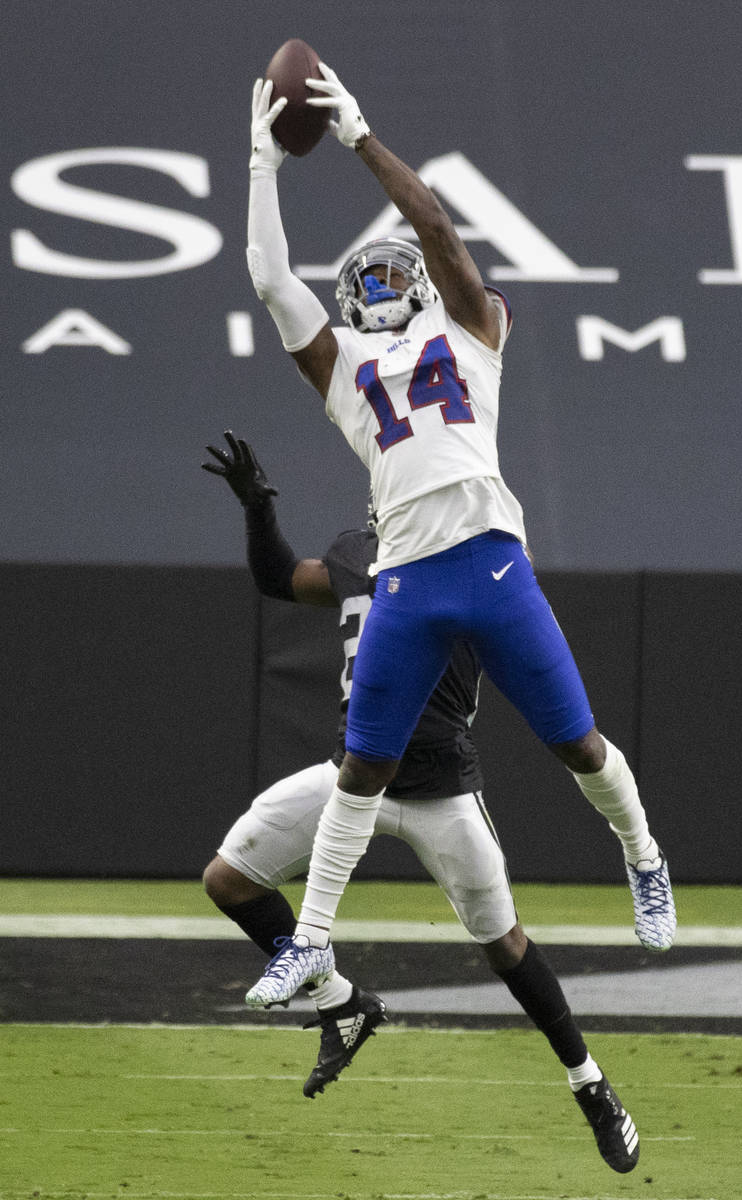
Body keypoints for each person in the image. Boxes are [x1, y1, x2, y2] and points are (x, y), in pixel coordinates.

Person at [243, 65, 676, 1003]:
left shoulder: (475, 331)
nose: (396, 280)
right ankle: (312, 940)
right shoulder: (347, 374)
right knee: (363, 764)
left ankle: (642, 856)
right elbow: (273, 279)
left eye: (405, 272)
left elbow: (435, 228)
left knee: (576, 742)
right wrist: (262, 166)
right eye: (377, 276)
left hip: (488, 564)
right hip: (405, 574)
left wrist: (359, 137)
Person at [201, 430, 639, 1171]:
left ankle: (590, 1083)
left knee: (505, 944)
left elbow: (514, 601)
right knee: (229, 879)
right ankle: (340, 1002)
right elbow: (281, 578)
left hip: (440, 788)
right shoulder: (351, 554)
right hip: (353, 779)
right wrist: (257, 507)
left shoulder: (471, 557)